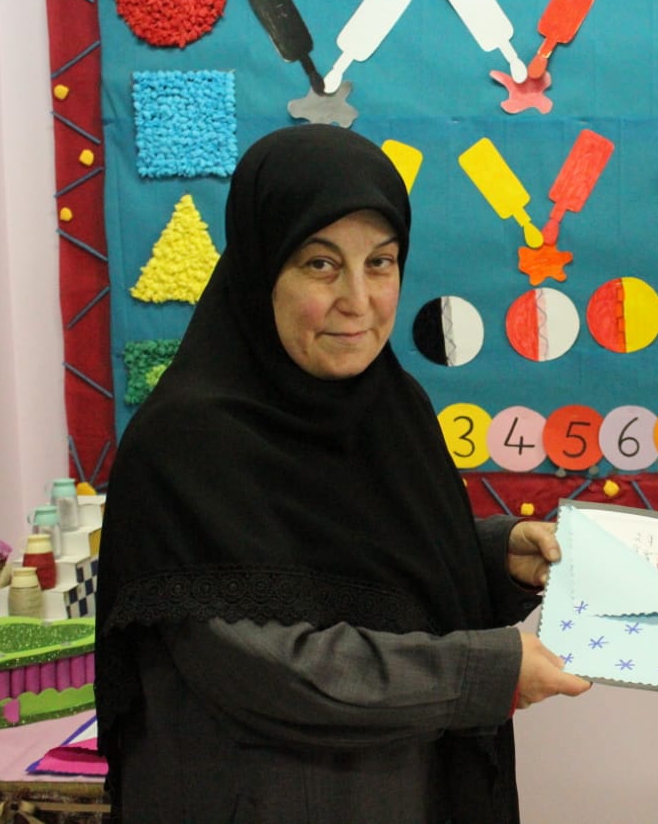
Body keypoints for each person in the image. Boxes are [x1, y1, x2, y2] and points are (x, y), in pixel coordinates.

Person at [94, 124, 591, 823]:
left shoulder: (391, 408)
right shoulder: (187, 442)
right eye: (321, 264)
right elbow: (272, 669)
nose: (358, 299)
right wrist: (485, 672)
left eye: (380, 262)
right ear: (262, 268)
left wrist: (494, 556)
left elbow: (361, 555)